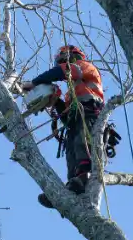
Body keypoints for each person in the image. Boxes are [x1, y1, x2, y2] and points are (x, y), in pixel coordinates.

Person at [21, 45, 104, 200]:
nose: (60, 64)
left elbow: (62, 71)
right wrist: (56, 101)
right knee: (71, 150)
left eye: (62, 61)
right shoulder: (71, 94)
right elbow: (66, 117)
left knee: (82, 141)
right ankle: (72, 187)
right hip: (76, 119)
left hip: (89, 113)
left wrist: (35, 82)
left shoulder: (85, 67)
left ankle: (85, 175)